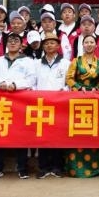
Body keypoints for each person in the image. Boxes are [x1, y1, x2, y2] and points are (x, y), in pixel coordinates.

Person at [0, 32, 36, 179]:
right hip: (0, 102)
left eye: (16, 40)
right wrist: (0, 83)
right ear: (6, 44)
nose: (13, 43)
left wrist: (16, 85)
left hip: (19, 102)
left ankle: (22, 168)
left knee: (20, 135)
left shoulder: (28, 61)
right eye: (10, 40)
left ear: (21, 44)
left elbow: (31, 80)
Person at [65, 33, 99, 178]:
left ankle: (94, 168)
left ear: (96, 45)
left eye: (91, 42)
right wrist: (78, 87)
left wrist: (97, 88)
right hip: (78, 101)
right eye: (86, 42)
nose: (89, 44)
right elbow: (69, 78)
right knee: (78, 133)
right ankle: (75, 168)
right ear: (82, 45)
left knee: (92, 133)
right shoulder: (76, 61)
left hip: (94, 101)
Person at [34, 35, 70, 179]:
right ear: (43, 46)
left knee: (58, 135)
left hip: (59, 104)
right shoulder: (37, 63)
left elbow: (69, 83)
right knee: (42, 135)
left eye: (52, 43)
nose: (49, 45)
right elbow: (33, 82)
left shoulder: (65, 63)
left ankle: (57, 166)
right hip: (42, 104)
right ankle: (43, 167)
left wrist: (65, 90)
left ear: (58, 46)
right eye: (47, 43)